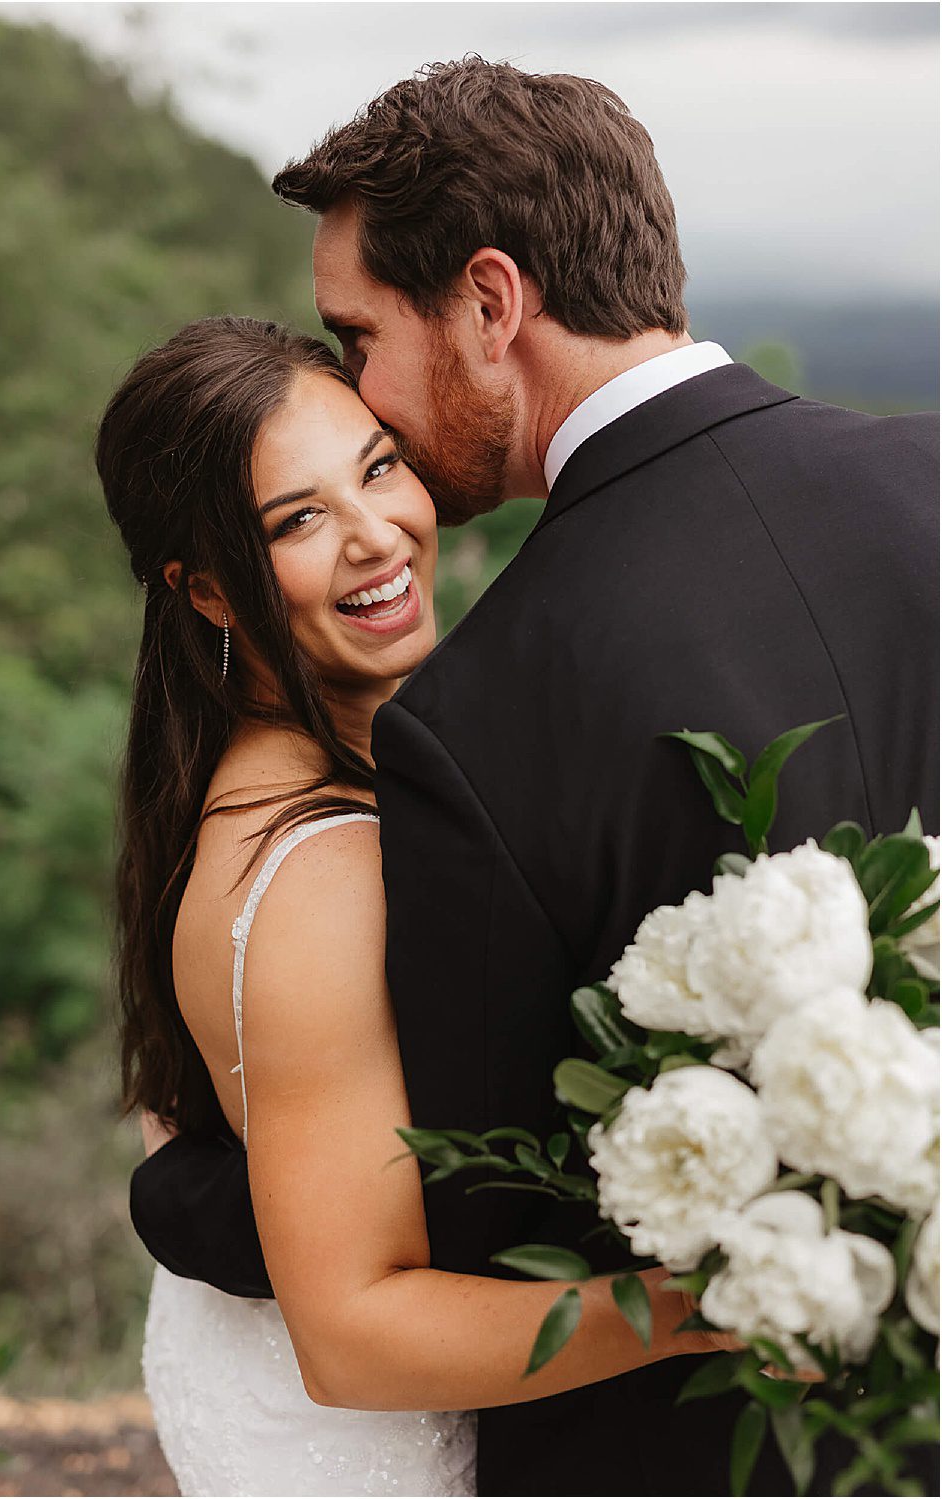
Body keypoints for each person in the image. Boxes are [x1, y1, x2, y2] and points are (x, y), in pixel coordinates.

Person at [125, 59, 939, 1497]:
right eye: (303, 512)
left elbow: (485, 1186)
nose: (389, 518)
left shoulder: (482, 718)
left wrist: (195, 1187)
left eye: (362, 338)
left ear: (491, 303)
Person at [103, 317, 729, 1497]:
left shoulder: (246, 789)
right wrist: (705, 1301)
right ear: (206, 592)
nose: (372, 535)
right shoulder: (323, 870)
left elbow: (192, 1122)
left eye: (376, 467)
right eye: (295, 521)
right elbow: (352, 1335)